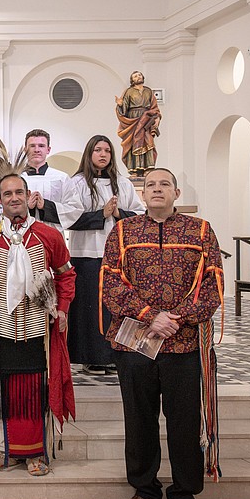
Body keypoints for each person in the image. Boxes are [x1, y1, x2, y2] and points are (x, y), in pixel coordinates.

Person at [101, 168, 223, 499]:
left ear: (176, 192)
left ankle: (185, 494)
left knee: (184, 421)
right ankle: (145, 490)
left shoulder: (199, 231)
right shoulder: (123, 231)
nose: (157, 190)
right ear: (143, 194)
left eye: (163, 185)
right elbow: (110, 282)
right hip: (135, 342)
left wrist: (178, 317)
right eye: (151, 185)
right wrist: (151, 316)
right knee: (139, 418)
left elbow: (212, 284)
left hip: (184, 344)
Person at [0, 173, 76, 477]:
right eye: (7, 194)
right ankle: (3, 451)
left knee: (36, 389)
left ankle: (38, 453)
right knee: (1, 390)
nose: (14, 198)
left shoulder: (48, 235)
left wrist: (62, 309)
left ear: (28, 196)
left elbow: (66, 275)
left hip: (39, 328)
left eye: (19, 193)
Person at [58, 135, 145, 375]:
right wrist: (101, 213)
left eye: (107, 150)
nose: (103, 154)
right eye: (98, 150)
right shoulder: (76, 183)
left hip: (117, 256)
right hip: (86, 253)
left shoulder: (123, 183)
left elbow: (139, 215)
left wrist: (117, 213)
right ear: (89, 153)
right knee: (90, 308)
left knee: (116, 306)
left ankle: (116, 354)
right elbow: (69, 217)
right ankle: (91, 357)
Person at [22, 129, 68, 232]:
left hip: (52, 234)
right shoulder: (16, 179)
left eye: (41, 146)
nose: (37, 150)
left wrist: (46, 206)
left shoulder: (61, 178)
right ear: (25, 149)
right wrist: (26, 207)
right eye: (32, 146)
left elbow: (73, 209)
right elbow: (0, 210)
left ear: (48, 149)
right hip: (22, 235)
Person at [116, 71, 162, 174]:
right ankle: (135, 169)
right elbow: (124, 109)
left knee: (148, 142)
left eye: (139, 75)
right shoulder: (129, 92)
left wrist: (157, 118)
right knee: (134, 142)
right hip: (134, 121)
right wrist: (120, 105)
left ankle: (148, 168)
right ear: (132, 80)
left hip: (146, 121)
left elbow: (154, 108)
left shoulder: (148, 91)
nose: (138, 77)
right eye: (135, 76)